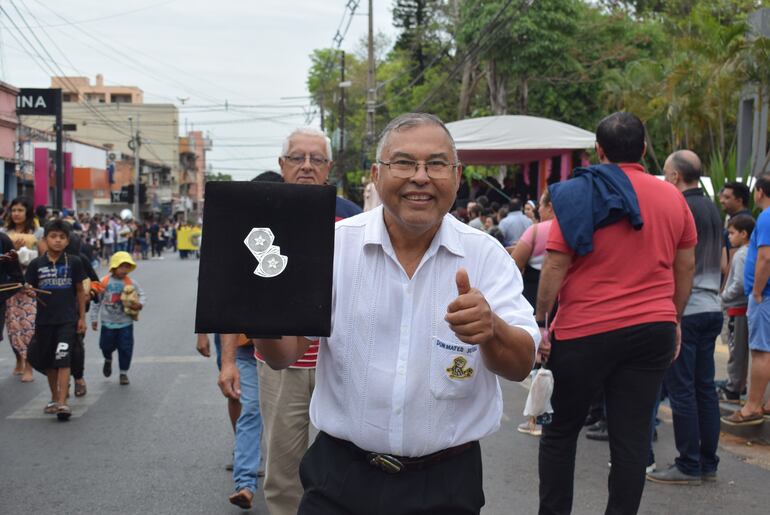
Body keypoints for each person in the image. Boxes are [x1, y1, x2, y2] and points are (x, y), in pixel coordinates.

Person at [220, 113, 538, 515]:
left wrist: (492, 329)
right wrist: (261, 309)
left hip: (445, 485)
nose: (420, 177)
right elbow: (284, 355)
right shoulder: (332, 247)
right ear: (376, 173)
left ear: (457, 176)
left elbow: (521, 363)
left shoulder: (487, 257)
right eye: (404, 163)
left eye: (436, 164)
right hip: (339, 478)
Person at [535, 112, 697, 514]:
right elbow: (686, 266)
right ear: (644, 148)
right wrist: (673, 318)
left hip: (584, 329)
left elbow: (555, 264)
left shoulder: (577, 194)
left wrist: (541, 322)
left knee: (560, 432)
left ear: (599, 150)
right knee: (632, 439)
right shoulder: (673, 198)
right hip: (652, 328)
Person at [219, 127, 361, 515]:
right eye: (297, 158)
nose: (306, 166)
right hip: (281, 364)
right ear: (282, 165)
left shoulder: (355, 219)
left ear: (329, 167)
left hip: (343, 361)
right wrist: (229, 359)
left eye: (316, 159)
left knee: (350, 465)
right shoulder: (257, 217)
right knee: (283, 471)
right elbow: (236, 292)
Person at [647, 150, 723, 486]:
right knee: (705, 388)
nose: (664, 179)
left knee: (682, 389)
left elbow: (678, 263)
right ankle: (708, 460)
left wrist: (672, 312)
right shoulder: (712, 209)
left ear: (676, 176)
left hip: (687, 310)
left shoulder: (679, 207)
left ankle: (688, 463)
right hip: (713, 307)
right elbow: (722, 263)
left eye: (665, 173)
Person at [25, 219, 87, 421]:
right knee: (50, 362)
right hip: (44, 322)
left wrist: (82, 318)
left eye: (62, 237)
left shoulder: (74, 263)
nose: (57, 241)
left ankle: (63, 402)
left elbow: (80, 291)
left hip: (67, 321)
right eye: (53, 236)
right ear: (45, 240)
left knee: (63, 359)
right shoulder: (36, 264)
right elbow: (30, 289)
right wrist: (28, 290)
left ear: (68, 241)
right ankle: (54, 397)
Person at [722, 174, 770, 426]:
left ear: (760, 192)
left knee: (761, 351)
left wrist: (758, 291)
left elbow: (765, 257)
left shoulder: (766, 217)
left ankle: (751, 407)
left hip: (765, 294)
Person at [2, 197, 44, 382]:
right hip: (8, 285)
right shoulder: (4, 233)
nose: (16, 213)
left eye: (20, 210)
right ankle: (18, 358)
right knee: (12, 326)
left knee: (27, 325)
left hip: (28, 283)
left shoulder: (38, 232)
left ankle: (29, 364)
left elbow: (43, 256)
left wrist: (26, 251)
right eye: (14, 210)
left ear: (27, 212)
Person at [90, 251, 146, 386]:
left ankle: (123, 373)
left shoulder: (131, 283)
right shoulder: (104, 282)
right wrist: (94, 318)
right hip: (107, 323)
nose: (124, 270)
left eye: (127, 267)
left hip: (125, 323)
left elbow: (142, 294)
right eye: (122, 266)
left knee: (126, 348)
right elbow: (96, 300)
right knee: (105, 346)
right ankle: (108, 359)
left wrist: (140, 304)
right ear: (114, 267)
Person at [717, 214, 754, 404]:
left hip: (736, 308)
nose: (729, 237)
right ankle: (739, 384)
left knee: (736, 350)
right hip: (745, 307)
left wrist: (722, 297)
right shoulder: (751, 252)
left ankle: (733, 388)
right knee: (742, 350)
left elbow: (738, 284)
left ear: (744, 234)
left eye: (732, 233)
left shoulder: (741, 255)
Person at [512, 190, 555, 308]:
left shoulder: (536, 230)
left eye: (540, 205)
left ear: (549, 207)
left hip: (533, 296)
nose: (538, 209)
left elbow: (513, 265)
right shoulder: (572, 229)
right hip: (562, 298)